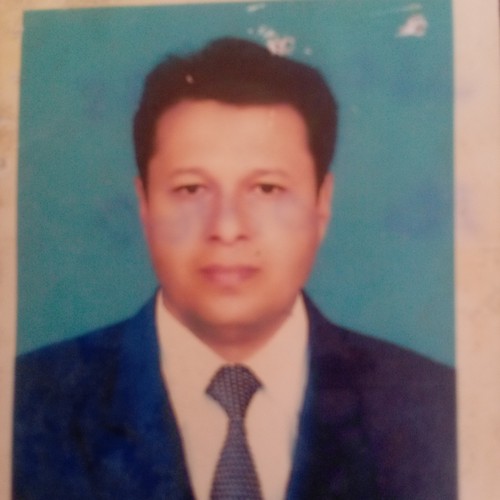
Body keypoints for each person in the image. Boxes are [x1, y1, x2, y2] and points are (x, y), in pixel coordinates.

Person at [13, 38, 456, 499]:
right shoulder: (25, 402)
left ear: (321, 203)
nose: (226, 228)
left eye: (266, 189)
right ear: (144, 203)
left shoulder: (439, 410)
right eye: (190, 189)